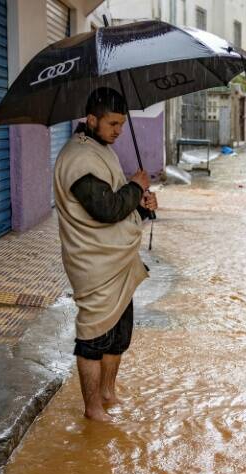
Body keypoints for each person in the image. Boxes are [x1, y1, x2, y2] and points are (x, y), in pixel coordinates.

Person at [53, 87, 157, 422]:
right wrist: (136, 186)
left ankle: (108, 394)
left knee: (117, 336)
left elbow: (118, 208)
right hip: (93, 263)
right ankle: (92, 409)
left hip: (117, 261)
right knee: (95, 337)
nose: (118, 131)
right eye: (112, 123)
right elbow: (106, 208)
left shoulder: (101, 150)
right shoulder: (77, 157)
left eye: (121, 125)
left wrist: (143, 209)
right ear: (92, 119)